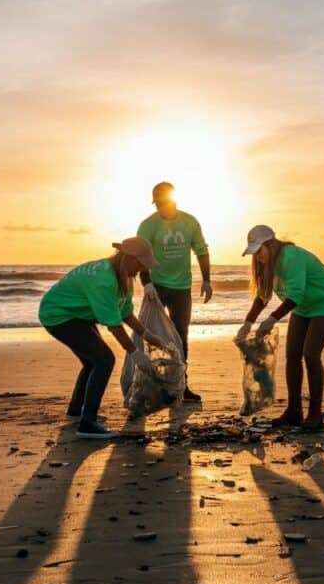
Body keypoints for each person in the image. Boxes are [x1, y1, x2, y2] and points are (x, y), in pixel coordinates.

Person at [39, 237, 170, 440]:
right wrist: (136, 355)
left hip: (79, 315)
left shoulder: (124, 276)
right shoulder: (104, 279)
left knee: (93, 361)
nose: (144, 268)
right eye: (141, 262)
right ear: (129, 257)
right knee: (104, 360)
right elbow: (114, 325)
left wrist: (147, 335)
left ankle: (76, 412)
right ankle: (87, 424)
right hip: (58, 316)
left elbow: (125, 313)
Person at [239, 225, 324, 432]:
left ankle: (315, 414)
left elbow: (294, 296)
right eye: (254, 252)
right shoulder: (267, 264)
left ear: (270, 244)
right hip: (303, 308)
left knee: (311, 354)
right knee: (293, 355)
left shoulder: (291, 257)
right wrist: (248, 323)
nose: (257, 256)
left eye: (259, 250)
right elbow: (262, 297)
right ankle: (294, 412)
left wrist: (270, 321)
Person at [137, 181, 212, 402]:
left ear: (173, 199)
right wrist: (146, 283)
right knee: (154, 337)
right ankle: (153, 385)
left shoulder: (189, 222)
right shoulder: (148, 225)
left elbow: (201, 249)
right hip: (157, 287)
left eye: (163, 202)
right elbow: (139, 255)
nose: (159, 207)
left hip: (182, 289)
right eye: (157, 203)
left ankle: (181, 385)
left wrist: (207, 280)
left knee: (180, 338)